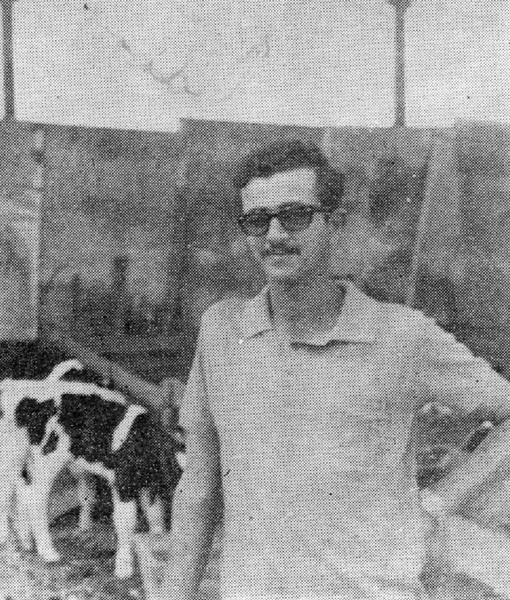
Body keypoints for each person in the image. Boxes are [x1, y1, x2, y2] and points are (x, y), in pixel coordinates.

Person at [157, 139, 510, 600]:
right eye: (257, 220)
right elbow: (199, 490)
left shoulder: (401, 335)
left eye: (295, 216)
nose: (275, 234)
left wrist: (441, 502)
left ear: (335, 223)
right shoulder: (222, 332)